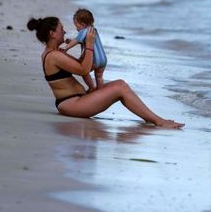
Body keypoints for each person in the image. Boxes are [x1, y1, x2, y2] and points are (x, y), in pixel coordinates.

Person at [28, 16, 183, 128]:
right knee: (120, 88)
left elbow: (82, 67)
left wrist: (89, 49)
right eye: (61, 29)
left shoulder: (55, 53)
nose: (64, 31)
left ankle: (152, 118)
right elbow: (84, 69)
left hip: (76, 101)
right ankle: (158, 120)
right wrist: (89, 44)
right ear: (52, 34)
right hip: (72, 105)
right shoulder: (54, 56)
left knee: (120, 84)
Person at [62, 8, 107, 91]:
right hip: (103, 59)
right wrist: (71, 41)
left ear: (82, 25)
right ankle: (100, 91)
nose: (76, 28)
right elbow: (86, 41)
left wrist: (66, 48)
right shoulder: (94, 30)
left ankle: (91, 87)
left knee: (84, 72)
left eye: (77, 26)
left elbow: (77, 40)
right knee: (99, 76)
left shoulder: (83, 31)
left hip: (95, 60)